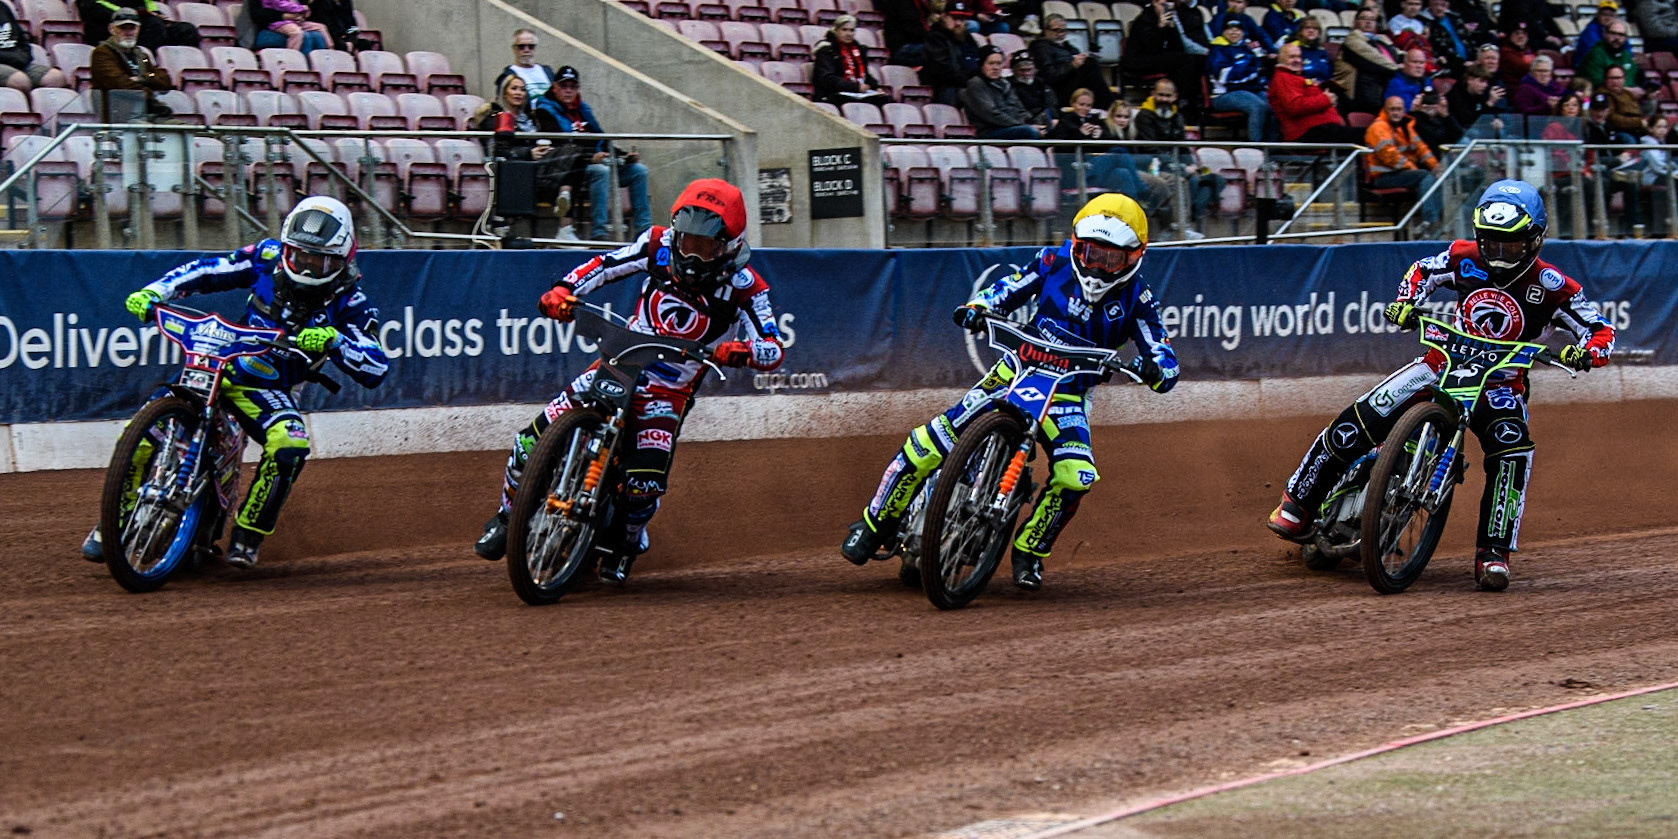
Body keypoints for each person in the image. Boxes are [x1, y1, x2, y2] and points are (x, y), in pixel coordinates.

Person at [1267, 180, 1614, 591]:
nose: (1499, 255)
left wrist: (1587, 352)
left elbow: (1601, 328)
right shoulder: (1463, 255)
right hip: (1440, 363)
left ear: (1536, 239)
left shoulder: (1555, 286)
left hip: (1499, 385)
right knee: (1364, 414)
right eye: (1491, 243)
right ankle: (1299, 503)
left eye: (1511, 245)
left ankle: (1493, 552)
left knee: (1512, 450)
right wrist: (1404, 302)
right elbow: (1421, 272)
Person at [840, 193, 1179, 590]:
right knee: (924, 443)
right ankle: (873, 524)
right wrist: (978, 307)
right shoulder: (1051, 262)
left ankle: (1030, 550)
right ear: (1074, 243)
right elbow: (1007, 289)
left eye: (1110, 259)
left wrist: (1156, 369)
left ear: (1135, 256)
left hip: (1067, 396)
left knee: (1077, 476)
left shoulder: (1139, 299)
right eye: (1088, 253)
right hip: (1014, 372)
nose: (1097, 267)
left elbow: (1164, 355)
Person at [474, 179, 786, 584]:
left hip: (669, 390)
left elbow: (774, 347)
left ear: (727, 245)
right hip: (619, 361)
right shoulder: (656, 244)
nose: (690, 253)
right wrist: (564, 290)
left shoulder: (747, 287)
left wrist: (743, 351)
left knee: (643, 483)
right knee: (527, 443)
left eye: (703, 245)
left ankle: (626, 542)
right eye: (686, 240)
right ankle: (506, 516)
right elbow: (604, 265)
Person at [83, 197, 388, 569]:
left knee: (289, 444)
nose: (306, 266)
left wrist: (334, 340)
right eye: (299, 255)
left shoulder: (352, 301)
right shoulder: (267, 257)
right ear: (286, 247)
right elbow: (208, 270)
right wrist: (157, 292)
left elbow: (376, 365)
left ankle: (248, 532)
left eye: (318, 260)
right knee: (141, 430)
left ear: (342, 259)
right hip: (217, 361)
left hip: (269, 387)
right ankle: (114, 520)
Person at [539, 65, 654, 240]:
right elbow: (561, 147)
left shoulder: (583, 110)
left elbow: (601, 138)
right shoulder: (545, 110)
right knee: (601, 172)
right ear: (554, 87)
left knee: (639, 171)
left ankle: (643, 231)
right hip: (573, 169)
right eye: (564, 86)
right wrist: (590, 159)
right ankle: (599, 233)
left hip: (599, 160)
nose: (569, 91)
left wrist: (622, 156)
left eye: (573, 86)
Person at [474, 74, 572, 235]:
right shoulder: (494, 117)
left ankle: (565, 206)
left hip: (539, 167)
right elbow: (496, 149)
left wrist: (544, 151)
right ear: (504, 93)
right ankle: (564, 203)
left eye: (522, 89)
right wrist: (529, 153)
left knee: (573, 153)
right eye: (514, 89)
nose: (519, 93)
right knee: (570, 153)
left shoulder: (532, 118)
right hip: (514, 170)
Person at [1364, 95, 1441, 227]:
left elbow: (1421, 148)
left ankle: (1435, 220)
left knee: (1439, 178)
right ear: (1385, 110)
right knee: (1424, 176)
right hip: (1384, 177)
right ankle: (1430, 221)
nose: (1396, 113)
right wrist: (1412, 168)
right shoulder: (1378, 127)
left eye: (1399, 109)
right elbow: (1390, 156)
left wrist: (1436, 167)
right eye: (1392, 109)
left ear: (1404, 110)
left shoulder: (1404, 127)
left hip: (1401, 173)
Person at [1271, 42, 1367, 143]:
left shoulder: (1294, 77)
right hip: (1307, 132)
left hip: (1319, 129)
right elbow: (1295, 106)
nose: (1297, 60)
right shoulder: (1283, 78)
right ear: (1281, 59)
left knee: (1368, 133)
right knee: (1368, 134)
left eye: (1299, 57)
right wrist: (1326, 99)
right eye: (1292, 57)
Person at [1125, 0, 1210, 110]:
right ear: (1154, 3)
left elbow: (1178, 47)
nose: (1167, 8)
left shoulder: (1171, 18)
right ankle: (1182, 99)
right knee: (1184, 60)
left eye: (1170, 6)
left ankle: (1196, 100)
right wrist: (1160, 28)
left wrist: (1171, 29)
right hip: (1141, 60)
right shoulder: (1144, 20)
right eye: (1162, 5)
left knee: (1198, 59)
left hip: (1161, 58)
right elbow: (1152, 48)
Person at [90, 9, 173, 121]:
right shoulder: (102, 53)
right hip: (120, 117)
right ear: (111, 29)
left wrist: (142, 78)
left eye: (132, 28)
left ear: (138, 29)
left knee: (187, 130)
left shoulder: (141, 56)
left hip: (147, 115)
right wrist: (148, 91)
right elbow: (120, 84)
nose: (128, 32)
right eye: (123, 28)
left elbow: (163, 79)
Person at [1209, 17, 1275, 141]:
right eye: (1229, 29)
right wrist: (1252, 72)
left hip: (1251, 90)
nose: (1234, 32)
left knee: (1275, 105)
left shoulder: (1248, 48)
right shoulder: (1218, 50)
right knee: (1258, 107)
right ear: (1223, 32)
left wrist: (1258, 61)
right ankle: (1257, 150)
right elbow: (1225, 76)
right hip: (1225, 94)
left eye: (1238, 29)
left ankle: (1273, 149)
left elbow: (1262, 68)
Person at [1031, 13, 1115, 108]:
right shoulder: (1041, 47)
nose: (1061, 34)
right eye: (1056, 30)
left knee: (1090, 63)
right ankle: (1109, 105)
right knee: (1090, 64)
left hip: (1072, 84)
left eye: (1063, 31)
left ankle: (1107, 104)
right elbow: (1048, 76)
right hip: (1057, 88)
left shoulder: (1068, 47)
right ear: (1045, 30)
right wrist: (1072, 65)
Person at [963, 45, 1041, 138]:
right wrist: (1023, 125)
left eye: (999, 63)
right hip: (989, 131)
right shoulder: (976, 84)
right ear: (982, 65)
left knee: (1050, 128)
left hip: (1012, 126)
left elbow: (1019, 108)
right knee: (1029, 131)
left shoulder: (1004, 83)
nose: (995, 67)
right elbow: (991, 114)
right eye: (991, 63)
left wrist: (1032, 122)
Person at [813, 15, 891, 107]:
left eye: (852, 30)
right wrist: (855, 87)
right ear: (836, 30)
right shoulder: (826, 50)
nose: (848, 33)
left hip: (856, 92)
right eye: (844, 30)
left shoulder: (859, 50)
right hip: (833, 93)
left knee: (884, 99)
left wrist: (876, 87)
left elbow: (865, 75)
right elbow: (827, 78)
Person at [1337, 6, 1403, 113]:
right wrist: (1399, 69)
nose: (1368, 22)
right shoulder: (1352, 40)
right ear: (1355, 22)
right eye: (1364, 18)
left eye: (1372, 19)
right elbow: (1375, 59)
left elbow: (1399, 54)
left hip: (1382, 90)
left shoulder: (1382, 39)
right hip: (1357, 97)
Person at [80, 0, 200, 50]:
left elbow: (148, 3)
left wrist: (156, 13)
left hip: (142, 23)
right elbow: (93, 7)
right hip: (110, 25)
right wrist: (130, 14)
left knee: (186, 30)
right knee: (154, 25)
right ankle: (142, 63)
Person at [920, 11, 982, 106]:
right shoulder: (935, 37)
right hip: (946, 89)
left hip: (968, 85)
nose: (958, 23)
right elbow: (944, 71)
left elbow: (978, 61)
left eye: (961, 19)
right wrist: (972, 81)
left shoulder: (967, 38)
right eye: (955, 18)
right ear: (944, 17)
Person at [0, 4, 66, 93]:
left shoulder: (2, 7)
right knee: (20, 81)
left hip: (15, 60)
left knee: (56, 77)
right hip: (6, 61)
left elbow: (22, 40)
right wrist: (13, 58)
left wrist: (23, 57)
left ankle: (42, 105)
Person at [1577, 19, 1642, 94]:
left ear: (1625, 38)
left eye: (1621, 35)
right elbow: (1599, 84)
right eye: (1613, 33)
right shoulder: (1596, 54)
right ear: (1605, 34)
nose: (1617, 38)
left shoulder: (1626, 56)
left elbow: (1632, 80)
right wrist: (1628, 91)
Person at [494, 28, 559, 99]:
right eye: (521, 46)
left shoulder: (548, 71)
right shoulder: (507, 76)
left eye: (531, 46)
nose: (526, 50)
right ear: (514, 48)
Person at [1447, 63, 1506, 137]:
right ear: (1470, 80)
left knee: (1501, 131)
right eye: (1481, 81)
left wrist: (1496, 120)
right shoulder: (1456, 94)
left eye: (1486, 82)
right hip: (1458, 133)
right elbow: (1468, 121)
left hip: (1478, 130)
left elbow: (1488, 116)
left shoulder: (1484, 93)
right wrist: (1489, 103)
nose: (1485, 85)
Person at [256, 0, 331, 53]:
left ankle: (330, 52)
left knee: (321, 27)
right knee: (297, 33)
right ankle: (292, 57)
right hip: (278, 22)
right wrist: (301, 8)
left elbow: (295, 4)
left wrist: (304, 12)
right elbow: (281, 5)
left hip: (294, 21)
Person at [1008, 51, 1057, 129]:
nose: (1026, 74)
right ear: (1014, 70)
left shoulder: (1042, 85)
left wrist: (1055, 118)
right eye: (1022, 70)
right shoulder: (1008, 86)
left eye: (1029, 70)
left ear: (1035, 70)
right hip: (1024, 124)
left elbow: (1051, 105)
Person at [1212, 0, 1277, 55]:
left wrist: (1271, 50)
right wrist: (1244, 44)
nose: (1234, 5)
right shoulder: (1219, 19)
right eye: (1232, 1)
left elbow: (1261, 34)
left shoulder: (1246, 19)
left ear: (1245, 4)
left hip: (1247, 53)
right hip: (1225, 54)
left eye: (1239, 2)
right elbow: (1216, 37)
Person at [879, 0, 933, 65]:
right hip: (902, 47)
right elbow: (913, 30)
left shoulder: (919, 4)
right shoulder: (903, 3)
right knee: (939, 51)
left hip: (916, 45)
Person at [1496, 0, 1564, 49]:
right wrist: (1546, 36)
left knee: (1563, 45)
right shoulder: (1514, 2)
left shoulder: (1539, 2)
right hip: (1516, 35)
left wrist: (1561, 36)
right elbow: (1527, 18)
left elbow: (1547, 18)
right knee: (1552, 46)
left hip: (1533, 34)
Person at [1601, 65, 1645, 139]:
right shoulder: (1604, 95)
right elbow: (1612, 119)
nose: (1615, 81)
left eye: (1618, 78)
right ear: (1605, 79)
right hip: (1617, 132)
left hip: (1636, 130)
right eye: (1611, 78)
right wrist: (1638, 122)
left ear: (1624, 79)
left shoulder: (1627, 94)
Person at [1291, 17, 1333, 83]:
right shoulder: (1293, 49)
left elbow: (1329, 75)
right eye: (1307, 28)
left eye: (1315, 28)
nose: (1311, 30)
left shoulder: (1322, 51)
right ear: (1301, 31)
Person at [1497, 23, 1533, 89]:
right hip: (1515, 89)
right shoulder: (1505, 51)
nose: (1521, 36)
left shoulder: (1527, 49)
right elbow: (1526, 69)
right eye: (1517, 33)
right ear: (1510, 35)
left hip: (1529, 86)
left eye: (1524, 33)